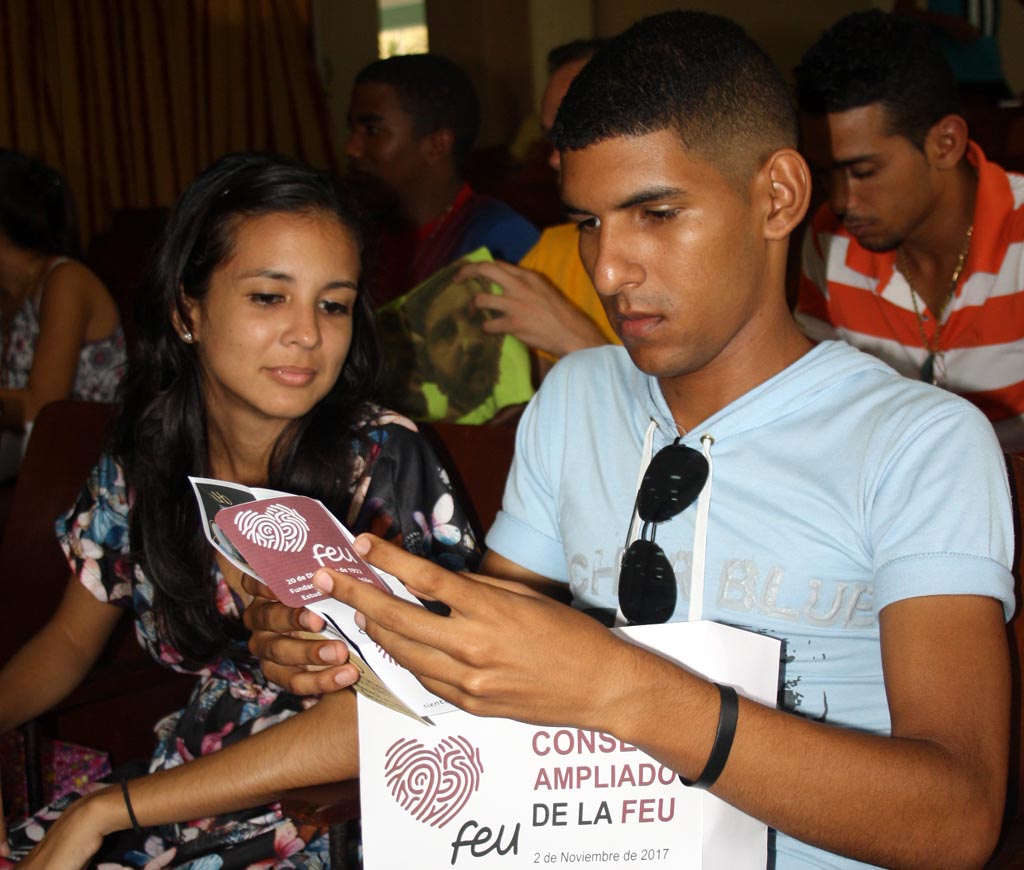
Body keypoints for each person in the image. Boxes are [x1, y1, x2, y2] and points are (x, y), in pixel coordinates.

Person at [245, 12, 1014, 870]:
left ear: (778, 196)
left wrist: (621, 688)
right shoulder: (577, 396)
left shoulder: (922, 443)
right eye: (590, 222)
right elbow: (496, 648)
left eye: (654, 213)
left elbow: (959, 818)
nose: (608, 270)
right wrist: (362, 633)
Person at [0, 152, 479, 869]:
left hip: (332, 813)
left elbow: (412, 705)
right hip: (184, 789)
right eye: (268, 297)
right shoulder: (144, 459)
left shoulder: (381, 464)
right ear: (185, 310)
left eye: (333, 303)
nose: (308, 334)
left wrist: (105, 810)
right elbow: (70, 643)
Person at [793, 10, 1024, 452]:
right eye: (826, 175)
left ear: (946, 144)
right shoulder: (829, 239)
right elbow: (819, 409)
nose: (841, 201)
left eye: (863, 171)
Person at [458, 39, 617, 372]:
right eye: (550, 137)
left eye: (574, 131)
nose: (554, 158)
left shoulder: (714, 261)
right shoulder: (549, 258)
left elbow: (701, 422)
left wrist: (580, 344)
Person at [344, 53, 539, 307]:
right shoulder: (356, 233)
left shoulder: (502, 239)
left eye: (372, 131)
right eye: (352, 130)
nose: (352, 148)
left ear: (436, 145)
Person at [0, 149, 126, 480]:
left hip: (89, 464)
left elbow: (43, 407)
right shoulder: (11, 295)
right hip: (31, 461)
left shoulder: (64, 280)